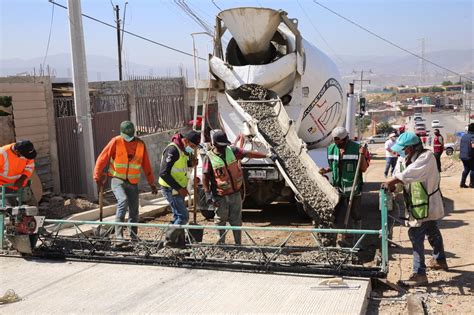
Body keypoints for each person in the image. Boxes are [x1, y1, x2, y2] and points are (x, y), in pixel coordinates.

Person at [385, 132, 447, 287]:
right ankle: (439, 259)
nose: (400, 152)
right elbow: (400, 179)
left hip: (428, 203)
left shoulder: (427, 157)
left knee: (415, 234)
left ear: (411, 148)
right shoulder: (402, 159)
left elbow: (411, 173)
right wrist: (393, 188)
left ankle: (419, 273)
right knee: (432, 229)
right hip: (416, 204)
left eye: (403, 149)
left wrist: (392, 181)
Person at [202, 130, 276, 245]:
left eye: (225, 145)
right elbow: (205, 176)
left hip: (235, 193)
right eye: (221, 146)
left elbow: (248, 153)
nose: (223, 148)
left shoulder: (232, 151)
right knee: (220, 220)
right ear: (214, 144)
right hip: (220, 195)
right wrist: (207, 194)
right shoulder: (209, 157)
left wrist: (268, 155)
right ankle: (221, 245)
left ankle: (238, 244)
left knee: (236, 220)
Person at [94, 121, 157, 241]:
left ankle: (134, 236)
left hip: (132, 183)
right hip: (117, 179)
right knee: (123, 200)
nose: (128, 138)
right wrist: (97, 176)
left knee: (134, 210)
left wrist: (152, 183)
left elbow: (146, 165)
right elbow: (103, 158)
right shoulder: (116, 141)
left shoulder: (140, 144)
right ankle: (119, 236)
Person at [319, 127, 369, 231]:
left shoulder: (357, 148)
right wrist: (326, 170)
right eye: (335, 141)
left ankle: (357, 240)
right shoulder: (331, 148)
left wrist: (362, 155)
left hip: (353, 189)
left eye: (338, 141)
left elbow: (363, 169)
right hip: (338, 188)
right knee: (334, 213)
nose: (336, 143)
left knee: (355, 214)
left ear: (345, 139)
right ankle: (336, 236)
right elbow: (333, 166)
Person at [158, 130, 201, 225]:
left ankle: (177, 238)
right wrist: (180, 189)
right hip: (171, 188)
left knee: (178, 216)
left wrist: (191, 163)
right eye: (193, 146)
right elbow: (164, 173)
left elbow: (181, 165)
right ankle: (171, 238)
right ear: (185, 141)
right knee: (183, 216)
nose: (193, 149)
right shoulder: (173, 150)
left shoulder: (184, 149)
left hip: (179, 187)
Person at [0, 140, 37, 206]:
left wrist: (22, 179)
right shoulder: (2, 153)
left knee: (32, 208)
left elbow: (30, 167)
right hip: (4, 186)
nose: (26, 158)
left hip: (21, 184)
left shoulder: (26, 152)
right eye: (25, 156)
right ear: (17, 152)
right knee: (10, 210)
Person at [459, 123, 474, 188]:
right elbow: (473, 145)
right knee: (473, 169)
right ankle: (472, 184)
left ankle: (462, 183)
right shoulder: (473, 136)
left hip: (463, 156)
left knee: (466, 169)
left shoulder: (464, 136)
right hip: (470, 156)